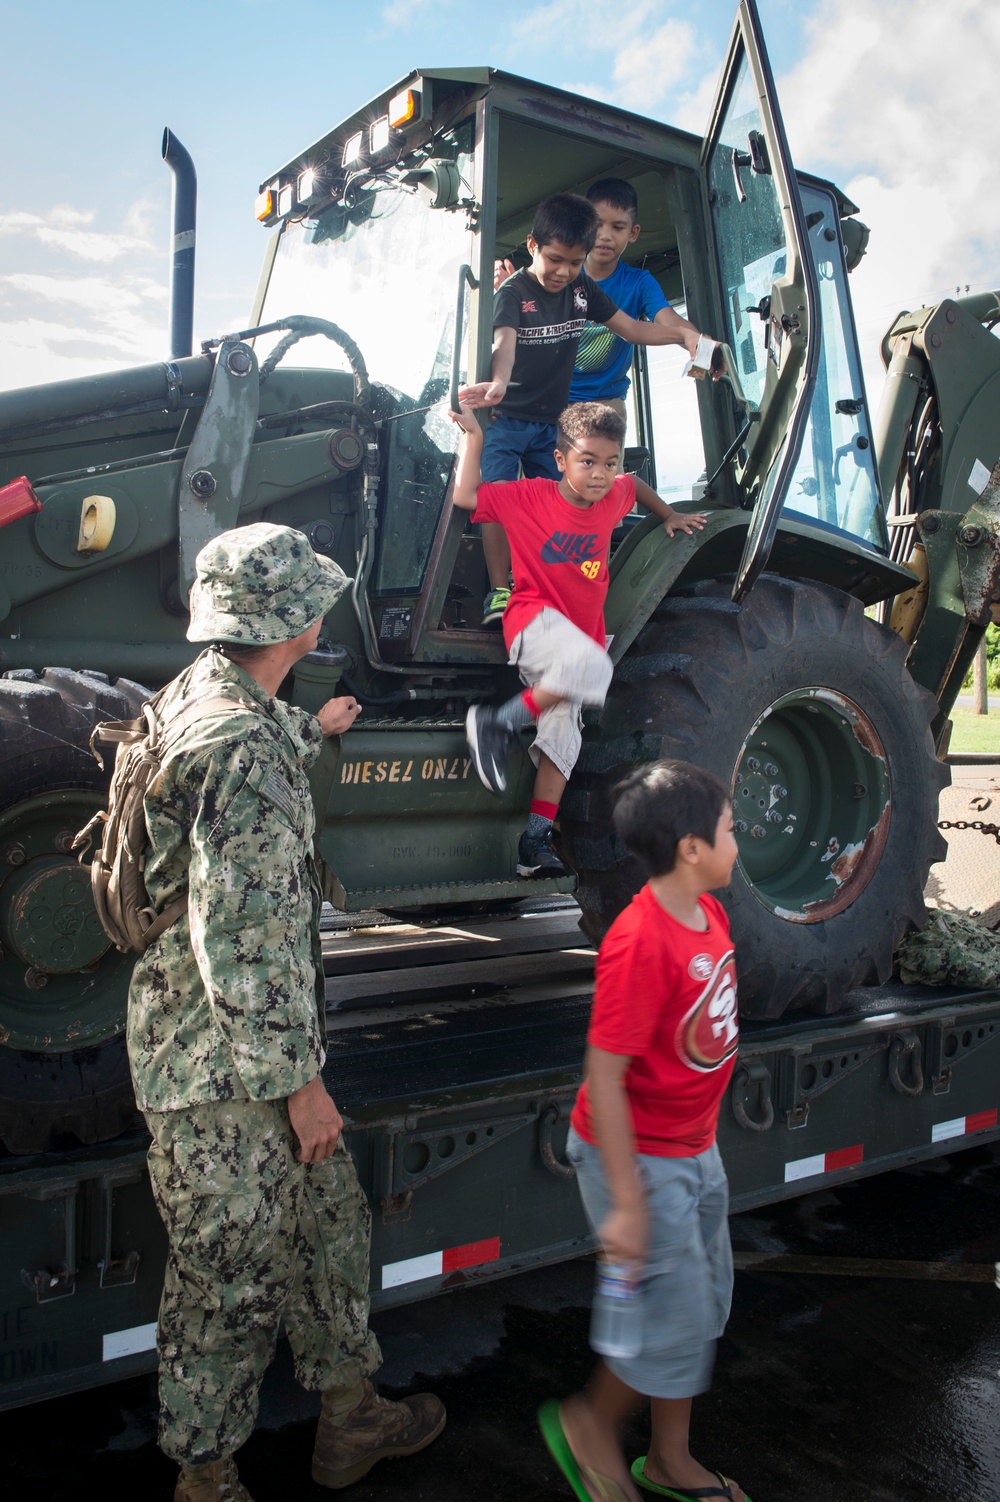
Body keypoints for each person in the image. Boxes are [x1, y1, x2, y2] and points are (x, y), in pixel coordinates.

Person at [127, 523, 445, 1502]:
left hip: (231, 1046)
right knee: (225, 1281)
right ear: (298, 621)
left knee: (323, 1225)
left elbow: (230, 788)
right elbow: (246, 943)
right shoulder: (245, 748)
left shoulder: (206, 697)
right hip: (220, 1070)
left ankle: (349, 1413)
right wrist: (302, 1090)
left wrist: (316, 730)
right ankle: (206, 1476)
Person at [538, 759, 749, 1502]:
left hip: (692, 1152)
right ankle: (589, 1425)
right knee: (665, 1310)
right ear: (691, 847)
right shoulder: (641, 940)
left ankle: (667, 1458)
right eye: (729, 828)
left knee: (695, 1307)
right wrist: (627, 1201)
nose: (737, 838)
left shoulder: (708, 913)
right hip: (640, 1163)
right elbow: (605, 1075)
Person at [448, 400, 706, 877]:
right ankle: (496, 724)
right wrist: (474, 438)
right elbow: (467, 498)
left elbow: (636, 487)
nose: (600, 474)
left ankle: (534, 843)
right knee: (593, 668)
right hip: (533, 621)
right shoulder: (528, 496)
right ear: (560, 459)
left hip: (579, 641)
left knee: (563, 736)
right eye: (587, 461)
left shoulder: (615, 494)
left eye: (610, 463)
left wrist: (668, 514)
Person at [463, 192, 711, 626]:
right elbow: (504, 343)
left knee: (556, 507)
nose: (563, 272)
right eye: (555, 259)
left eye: (574, 263)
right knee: (500, 502)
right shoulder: (515, 292)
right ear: (533, 246)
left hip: (550, 424)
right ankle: (500, 591)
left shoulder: (581, 290)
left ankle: (543, 587)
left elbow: (632, 328)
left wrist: (684, 338)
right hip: (508, 417)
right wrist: (499, 384)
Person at [496, 177, 702, 427]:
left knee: (601, 465)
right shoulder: (557, 278)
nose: (604, 236)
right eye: (598, 226)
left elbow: (667, 322)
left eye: (617, 227)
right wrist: (515, 290)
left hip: (605, 401)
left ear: (633, 232)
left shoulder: (638, 283)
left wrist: (700, 344)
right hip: (550, 399)